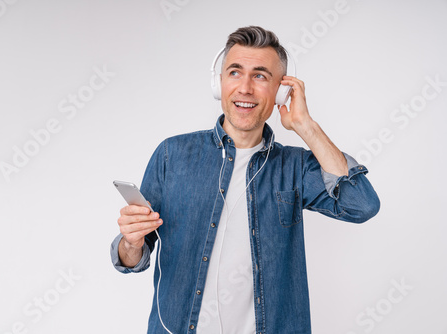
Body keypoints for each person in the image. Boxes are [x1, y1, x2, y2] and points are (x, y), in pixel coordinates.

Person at [110, 26, 380, 334]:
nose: (245, 88)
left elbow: (362, 205)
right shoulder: (172, 155)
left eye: (261, 76)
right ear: (219, 83)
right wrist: (130, 242)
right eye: (235, 73)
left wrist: (306, 126)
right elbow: (134, 257)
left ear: (281, 90)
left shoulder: (295, 167)